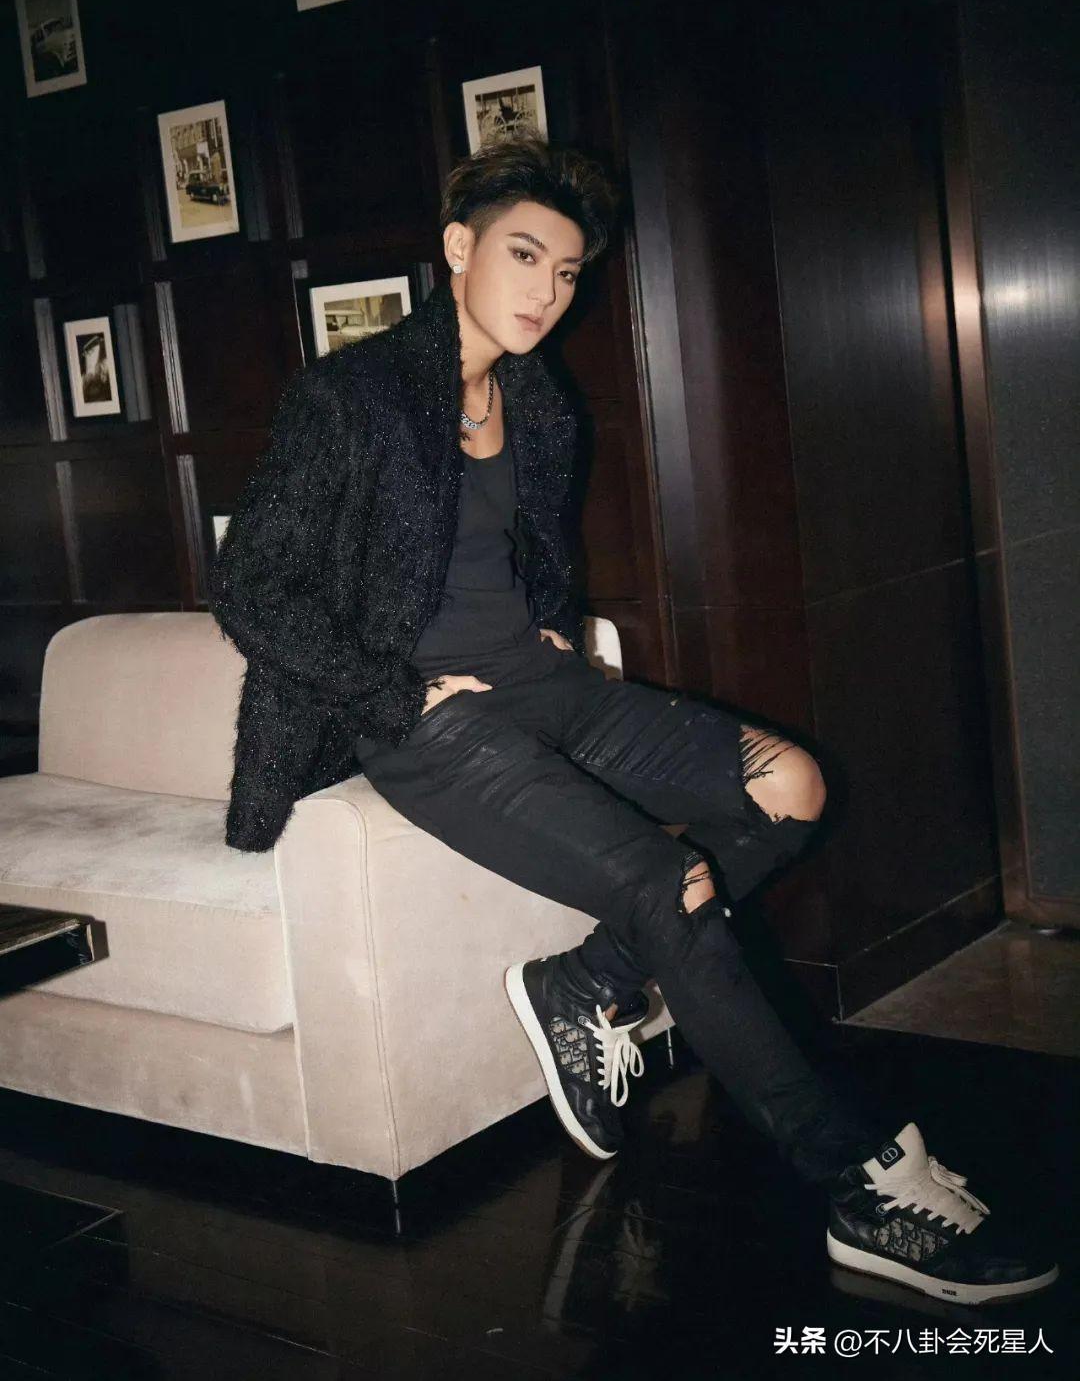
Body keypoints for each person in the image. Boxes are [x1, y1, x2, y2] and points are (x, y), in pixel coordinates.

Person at [208, 132, 1058, 1307]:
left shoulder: (536, 398)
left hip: (540, 682)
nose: (546, 292)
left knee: (792, 784)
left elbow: (525, 545)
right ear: (457, 248)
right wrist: (393, 691)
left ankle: (586, 982)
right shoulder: (352, 397)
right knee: (672, 880)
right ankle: (861, 1182)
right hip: (424, 722)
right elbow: (251, 587)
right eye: (523, 255)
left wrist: (554, 624)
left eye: (566, 272)